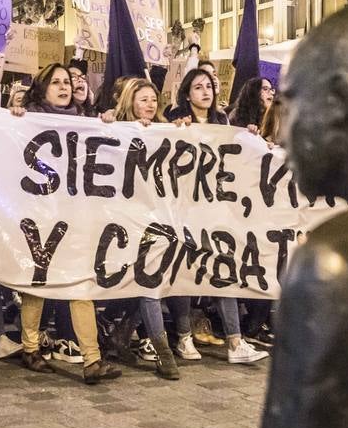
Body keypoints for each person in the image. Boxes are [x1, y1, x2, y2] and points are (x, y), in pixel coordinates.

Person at [9, 62, 121, 384]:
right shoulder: (27, 120)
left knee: (79, 282)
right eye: (55, 82)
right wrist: (13, 119)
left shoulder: (87, 125)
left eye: (66, 83)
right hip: (39, 215)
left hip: (75, 216)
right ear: (42, 88)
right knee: (37, 283)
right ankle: (30, 347)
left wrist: (109, 125)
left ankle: (92, 359)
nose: (64, 87)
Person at [162, 67, 269, 364]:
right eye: (198, 87)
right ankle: (184, 336)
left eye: (208, 86)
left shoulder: (223, 123)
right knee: (184, 273)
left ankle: (235, 342)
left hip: (215, 212)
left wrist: (252, 140)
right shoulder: (176, 123)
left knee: (224, 271)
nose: (205, 92)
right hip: (184, 212)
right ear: (186, 93)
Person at [105, 78, 178, 379]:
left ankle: (122, 332)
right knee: (150, 283)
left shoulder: (165, 131)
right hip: (126, 220)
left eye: (153, 99)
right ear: (129, 103)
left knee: (158, 282)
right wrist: (106, 123)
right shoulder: (114, 128)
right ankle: (164, 353)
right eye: (143, 99)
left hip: (159, 219)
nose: (149, 105)